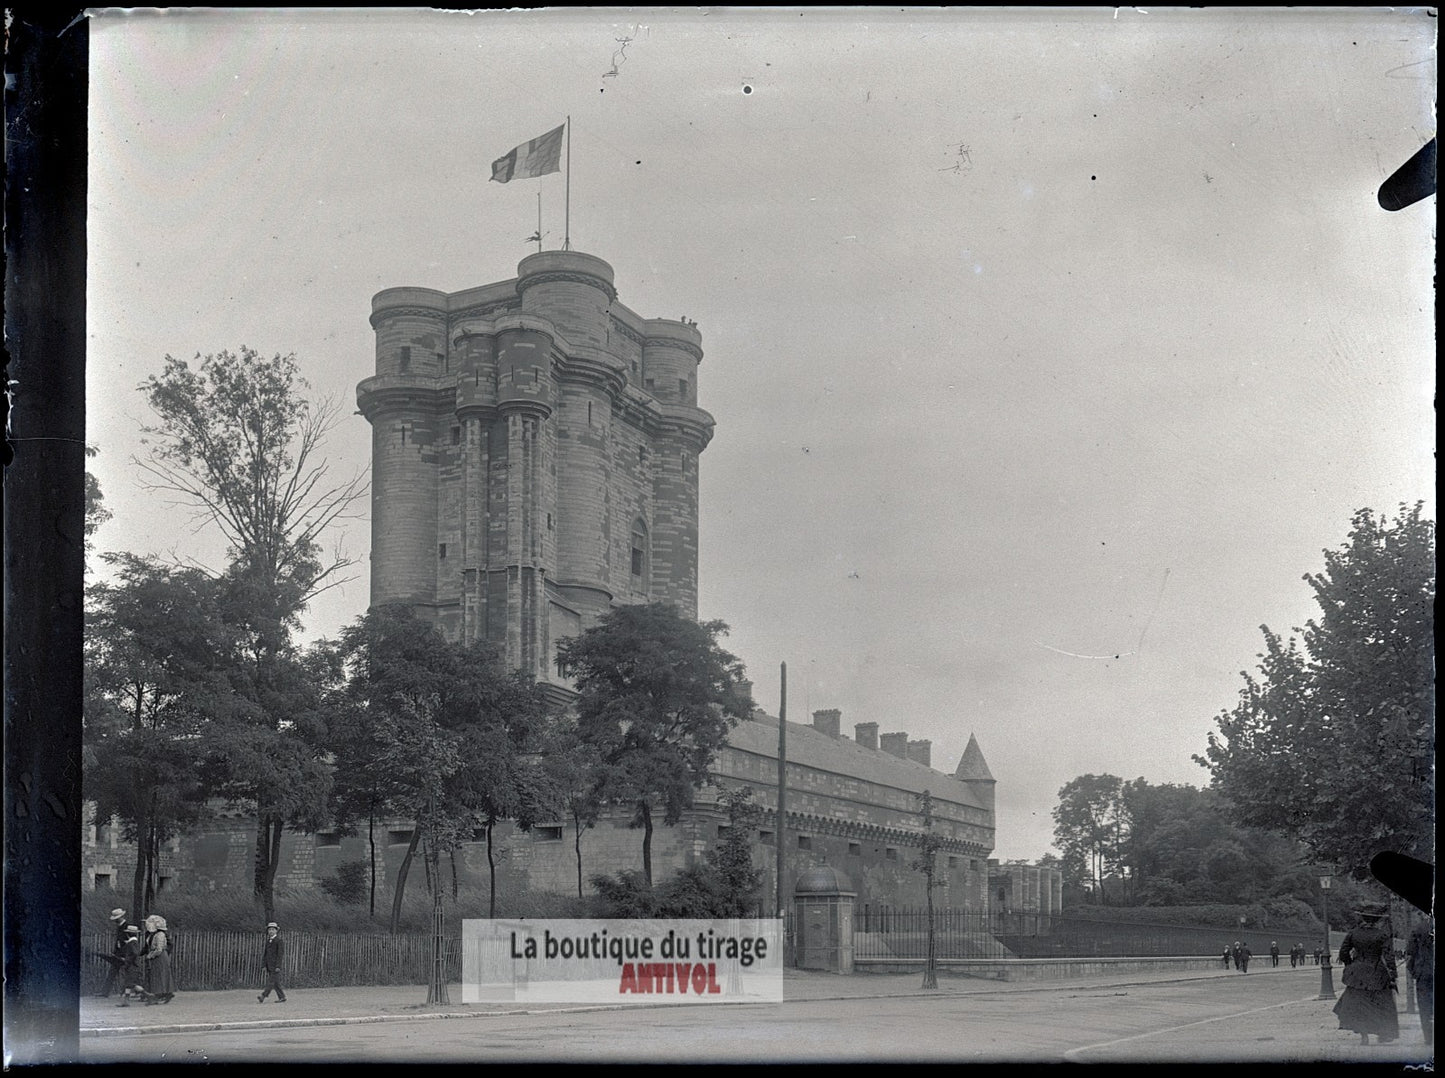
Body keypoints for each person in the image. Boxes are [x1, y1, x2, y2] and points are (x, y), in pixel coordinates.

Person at [1332, 902, 1399, 1045]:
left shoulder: (1353, 933)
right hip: (1377, 972)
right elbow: (1389, 956)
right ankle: (1383, 1032)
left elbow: (1343, 952)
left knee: (1359, 1004)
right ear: (1377, 920)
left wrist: (1350, 964)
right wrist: (1393, 974)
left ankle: (1364, 1035)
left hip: (1357, 974)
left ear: (1363, 918)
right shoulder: (1382, 935)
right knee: (1381, 1004)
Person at [1406, 915, 1434, 1046]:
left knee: (1425, 1006)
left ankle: (1429, 1037)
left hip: (1424, 972)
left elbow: (1410, 951)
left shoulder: (1419, 927)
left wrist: (1413, 970)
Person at [142, 914, 176, 1005]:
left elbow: (159, 949)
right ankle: (166, 993)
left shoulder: (160, 934)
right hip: (157, 956)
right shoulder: (154, 934)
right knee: (157, 975)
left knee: (160, 975)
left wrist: (151, 955)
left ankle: (158, 995)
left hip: (160, 956)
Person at [96, 908, 129, 997]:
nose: (115, 921)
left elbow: (129, 942)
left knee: (128, 973)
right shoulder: (119, 927)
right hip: (118, 953)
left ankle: (138, 991)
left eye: (116, 919)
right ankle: (105, 992)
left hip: (125, 954)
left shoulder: (127, 926)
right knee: (112, 972)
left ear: (121, 917)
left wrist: (125, 954)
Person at [116, 925, 146, 1005]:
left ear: (128, 934)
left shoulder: (132, 943)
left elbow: (134, 953)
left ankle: (148, 995)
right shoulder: (133, 942)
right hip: (133, 966)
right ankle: (126, 1001)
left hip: (132, 966)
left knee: (130, 984)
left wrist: (127, 960)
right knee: (128, 984)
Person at [258, 921, 287, 1004]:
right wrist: (264, 965)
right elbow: (265, 954)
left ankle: (263, 996)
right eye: (269, 929)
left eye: (272, 930)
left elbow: (280, 955)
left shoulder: (279, 941)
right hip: (268, 965)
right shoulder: (268, 941)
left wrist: (278, 966)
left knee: (271, 982)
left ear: (276, 931)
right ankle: (282, 997)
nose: (271, 931)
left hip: (275, 966)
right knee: (275, 982)